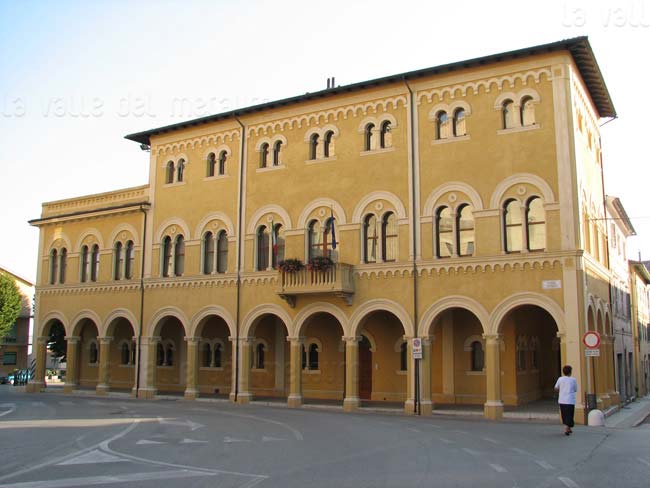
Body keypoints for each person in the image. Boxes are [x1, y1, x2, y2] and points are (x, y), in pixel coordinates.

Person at [555, 365, 578, 435]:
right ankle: (567, 428)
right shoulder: (573, 380)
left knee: (564, 414)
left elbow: (556, 388)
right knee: (570, 415)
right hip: (570, 400)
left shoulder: (560, 379)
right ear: (570, 372)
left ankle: (568, 428)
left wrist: (561, 390)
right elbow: (575, 389)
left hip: (562, 400)